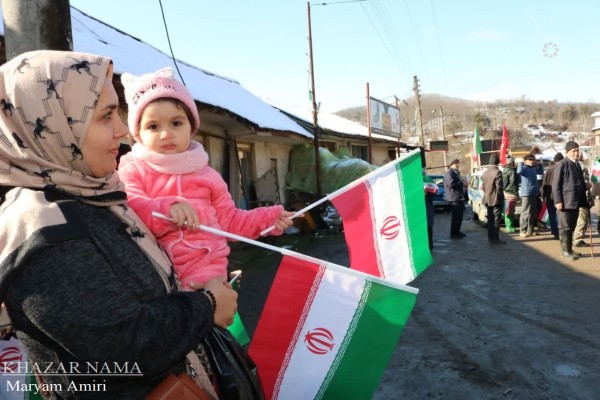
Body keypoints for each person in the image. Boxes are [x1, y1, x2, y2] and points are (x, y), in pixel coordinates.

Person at [0, 50, 238, 398]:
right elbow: (124, 346)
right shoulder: (42, 228)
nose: (123, 130)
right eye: (106, 116)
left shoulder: (91, 194)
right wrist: (207, 305)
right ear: (56, 125)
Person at [118, 67, 294, 289]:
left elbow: (229, 222)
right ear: (138, 134)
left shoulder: (207, 174)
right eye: (153, 126)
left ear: (191, 126)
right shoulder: (133, 168)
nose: (166, 133)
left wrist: (268, 219)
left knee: (219, 321)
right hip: (160, 278)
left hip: (212, 277)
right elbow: (128, 208)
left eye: (176, 123)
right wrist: (166, 209)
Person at [552, 141, 590, 261]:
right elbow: (555, 184)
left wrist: (585, 186)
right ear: (567, 152)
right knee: (565, 227)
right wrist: (558, 201)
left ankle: (569, 249)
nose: (576, 153)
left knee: (572, 226)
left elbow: (576, 183)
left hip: (575, 201)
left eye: (577, 150)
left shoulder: (577, 165)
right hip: (565, 201)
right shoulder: (562, 164)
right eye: (574, 151)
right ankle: (564, 252)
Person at [481, 153, 505, 244]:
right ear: (497, 162)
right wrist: (501, 198)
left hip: (487, 198)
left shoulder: (485, 172)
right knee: (496, 219)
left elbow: (483, 186)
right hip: (496, 199)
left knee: (490, 218)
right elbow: (499, 187)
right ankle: (495, 238)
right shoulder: (498, 172)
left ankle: (490, 237)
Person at [542, 152, 564, 240]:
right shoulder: (564, 168)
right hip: (561, 196)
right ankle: (563, 232)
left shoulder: (549, 169)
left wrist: (543, 196)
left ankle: (555, 232)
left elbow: (544, 184)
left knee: (552, 215)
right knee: (562, 216)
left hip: (549, 196)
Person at [573, 154, 593, 247]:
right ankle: (577, 239)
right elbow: (577, 182)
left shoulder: (580, 166)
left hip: (584, 197)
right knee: (581, 219)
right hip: (579, 198)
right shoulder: (576, 166)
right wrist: (585, 186)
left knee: (584, 219)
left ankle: (579, 238)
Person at [444, 159, 467, 239]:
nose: (458, 166)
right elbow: (452, 183)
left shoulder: (456, 173)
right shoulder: (449, 173)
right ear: (453, 164)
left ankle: (457, 231)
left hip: (459, 198)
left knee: (459, 217)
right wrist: (461, 183)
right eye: (457, 165)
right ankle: (454, 233)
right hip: (454, 198)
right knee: (455, 217)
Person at [517, 154, 539, 237]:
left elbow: (540, 171)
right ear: (525, 161)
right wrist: (520, 163)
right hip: (526, 193)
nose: (532, 161)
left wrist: (539, 164)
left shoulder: (533, 168)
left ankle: (530, 230)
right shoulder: (524, 168)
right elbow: (518, 172)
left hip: (534, 192)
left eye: (533, 159)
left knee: (533, 213)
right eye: (530, 159)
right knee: (525, 212)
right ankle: (522, 231)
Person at [502, 156, 519, 233]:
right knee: (510, 210)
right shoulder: (512, 171)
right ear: (512, 162)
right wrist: (515, 192)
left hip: (506, 193)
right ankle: (510, 226)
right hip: (511, 193)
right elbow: (513, 183)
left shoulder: (504, 170)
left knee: (508, 210)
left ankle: (509, 225)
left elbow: (504, 184)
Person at [423, 172, 437, 249]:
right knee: (428, 227)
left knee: (426, 227)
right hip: (427, 205)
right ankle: (430, 244)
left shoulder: (426, 179)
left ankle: (428, 244)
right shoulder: (428, 179)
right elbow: (434, 192)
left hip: (424, 206)